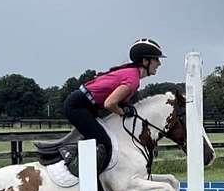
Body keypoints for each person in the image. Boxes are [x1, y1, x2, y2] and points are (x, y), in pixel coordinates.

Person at [63, 38, 165, 173]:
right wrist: (122, 112)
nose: (159, 63)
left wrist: (124, 107)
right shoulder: (132, 79)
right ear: (145, 61)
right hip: (78, 106)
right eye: (156, 59)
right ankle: (84, 175)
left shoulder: (132, 74)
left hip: (86, 105)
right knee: (105, 143)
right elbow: (109, 103)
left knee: (106, 138)